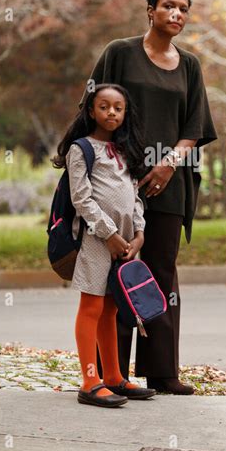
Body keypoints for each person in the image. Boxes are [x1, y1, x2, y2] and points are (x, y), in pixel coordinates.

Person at [78, 0, 218, 395]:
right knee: (117, 270)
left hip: (169, 183)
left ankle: (162, 371)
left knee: (160, 270)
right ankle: (111, 373)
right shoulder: (119, 53)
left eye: (183, 9)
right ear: (151, 10)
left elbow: (194, 127)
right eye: (168, 6)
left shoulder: (189, 66)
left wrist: (169, 165)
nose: (176, 14)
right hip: (117, 181)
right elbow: (94, 104)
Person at [51, 83, 157, 408]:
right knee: (92, 307)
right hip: (95, 239)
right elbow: (82, 198)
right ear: (91, 111)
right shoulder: (81, 149)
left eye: (118, 108)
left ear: (125, 114)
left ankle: (113, 376)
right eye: (104, 106)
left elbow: (134, 195)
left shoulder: (124, 150)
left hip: (124, 241)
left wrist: (138, 235)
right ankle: (89, 380)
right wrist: (109, 234)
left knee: (111, 308)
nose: (111, 112)